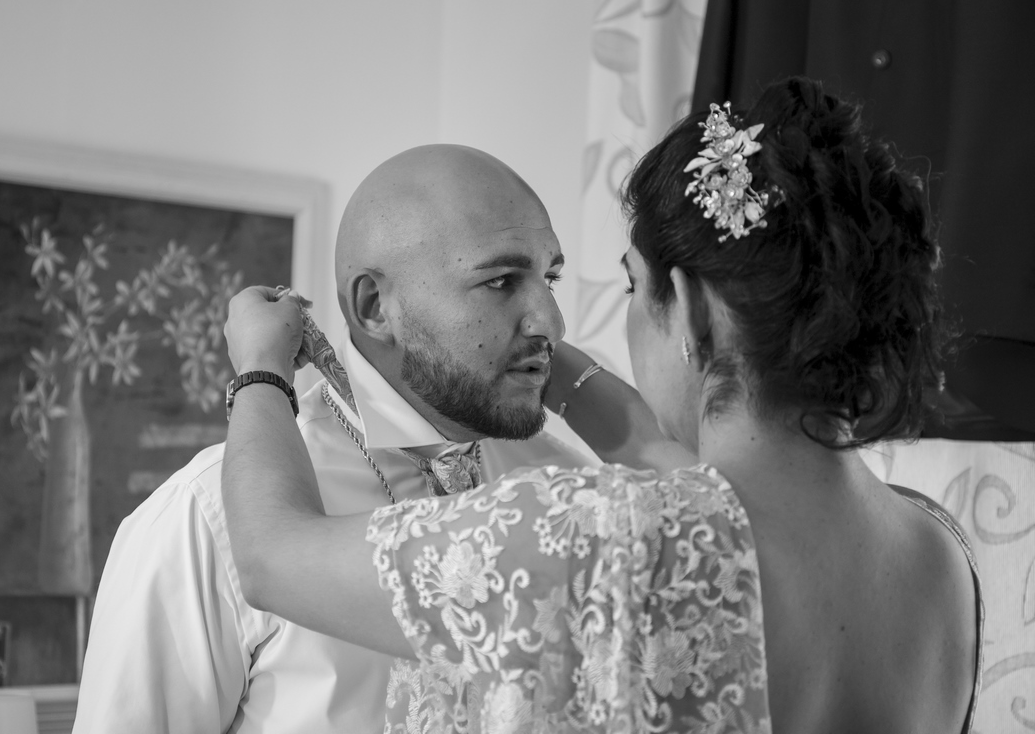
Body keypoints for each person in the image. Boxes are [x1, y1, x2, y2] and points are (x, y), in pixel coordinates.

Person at [221, 77, 984, 733]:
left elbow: (268, 555)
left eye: (630, 286)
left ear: (688, 309)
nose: (552, 320)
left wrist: (260, 367)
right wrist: (528, 356)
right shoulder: (937, 551)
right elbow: (666, 459)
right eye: (503, 282)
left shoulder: (599, 533)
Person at [72, 144, 636, 733]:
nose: (553, 322)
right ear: (374, 307)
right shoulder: (206, 516)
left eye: (550, 278)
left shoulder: (570, 489)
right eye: (500, 281)